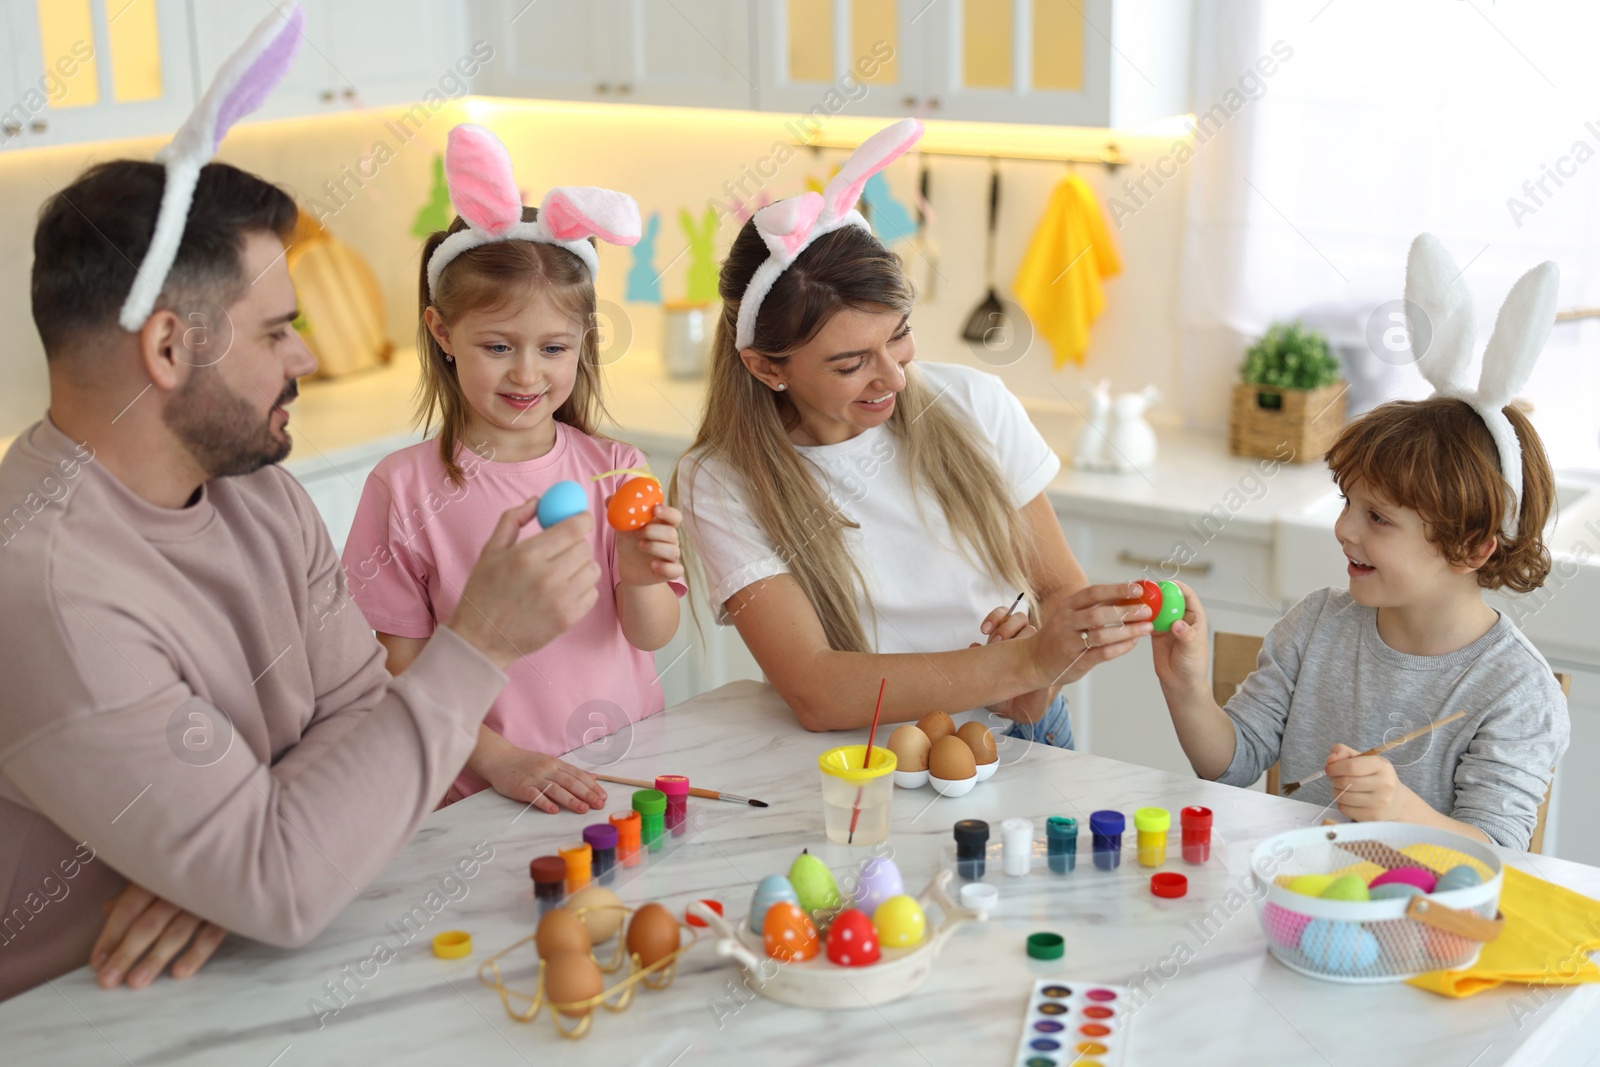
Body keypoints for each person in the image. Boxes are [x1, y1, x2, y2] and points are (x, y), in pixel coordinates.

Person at [0, 95, 597, 1003]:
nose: (307, 359)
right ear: (168, 346)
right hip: (90, 1014)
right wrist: (474, 648)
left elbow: (361, 706)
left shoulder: (255, 488)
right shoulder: (45, 588)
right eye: (278, 330)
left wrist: (258, 845)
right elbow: (283, 878)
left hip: (266, 961)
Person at [675, 118, 1151, 743]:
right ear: (767, 368)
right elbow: (817, 690)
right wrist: (1017, 665)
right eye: (849, 364)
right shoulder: (721, 480)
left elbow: (1057, 587)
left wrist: (1043, 670)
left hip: (1021, 743)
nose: (893, 381)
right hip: (863, 761)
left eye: (898, 336)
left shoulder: (973, 402)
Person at [1150, 236, 1569, 849]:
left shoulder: (1514, 691)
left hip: (1421, 925)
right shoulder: (1318, 624)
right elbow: (1231, 767)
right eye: (1349, 503)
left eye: (1380, 518)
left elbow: (1499, 858)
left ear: (1473, 547)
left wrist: (1400, 808)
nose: (1345, 528)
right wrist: (1186, 685)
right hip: (1297, 905)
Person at [343, 125, 685, 813]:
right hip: (481, 791)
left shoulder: (616, 468)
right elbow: (397, 670)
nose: (527, 373)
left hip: (625, 773)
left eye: (553, 347)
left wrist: (644, 574)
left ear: (583, 341)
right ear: (443, 333)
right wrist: (502, 761)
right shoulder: (404, 488)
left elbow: (651, 633)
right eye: (498, 345)